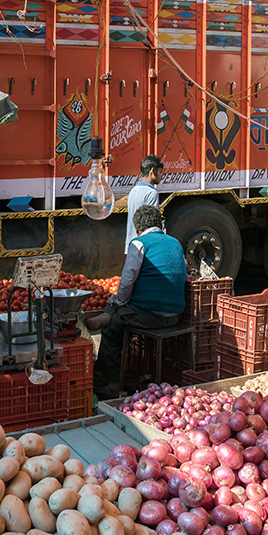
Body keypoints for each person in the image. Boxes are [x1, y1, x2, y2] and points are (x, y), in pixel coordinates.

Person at [95, 205, 186, 398]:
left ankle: (111, 385)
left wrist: (118, 302)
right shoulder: (175, 243)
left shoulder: (139, 243)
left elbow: (127, 280)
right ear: (159, 224)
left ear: (137, 227)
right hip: (176, 316)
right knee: (120, 313)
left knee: (112, 326)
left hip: (150, 315)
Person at [125, 154, 162, 254]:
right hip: (144, 247)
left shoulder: (133, 190)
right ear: (153, 171)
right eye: (160, 172)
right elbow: (150, 225)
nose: (161, 175)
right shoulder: (151, 193)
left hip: (131, 245)